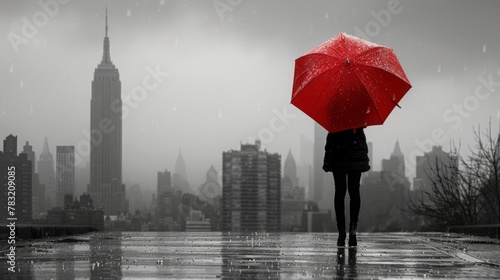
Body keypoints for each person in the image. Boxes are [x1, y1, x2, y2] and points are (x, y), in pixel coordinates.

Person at [323, 127, 370, 247]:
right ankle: (353, 231)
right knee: (354, 192)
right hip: (355, 155)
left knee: (340, 192)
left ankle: (341, 232)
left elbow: (330, 141)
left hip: (338, 154)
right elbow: (362, 143)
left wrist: (328, 160)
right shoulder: (358, 115)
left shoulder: (335, 116)